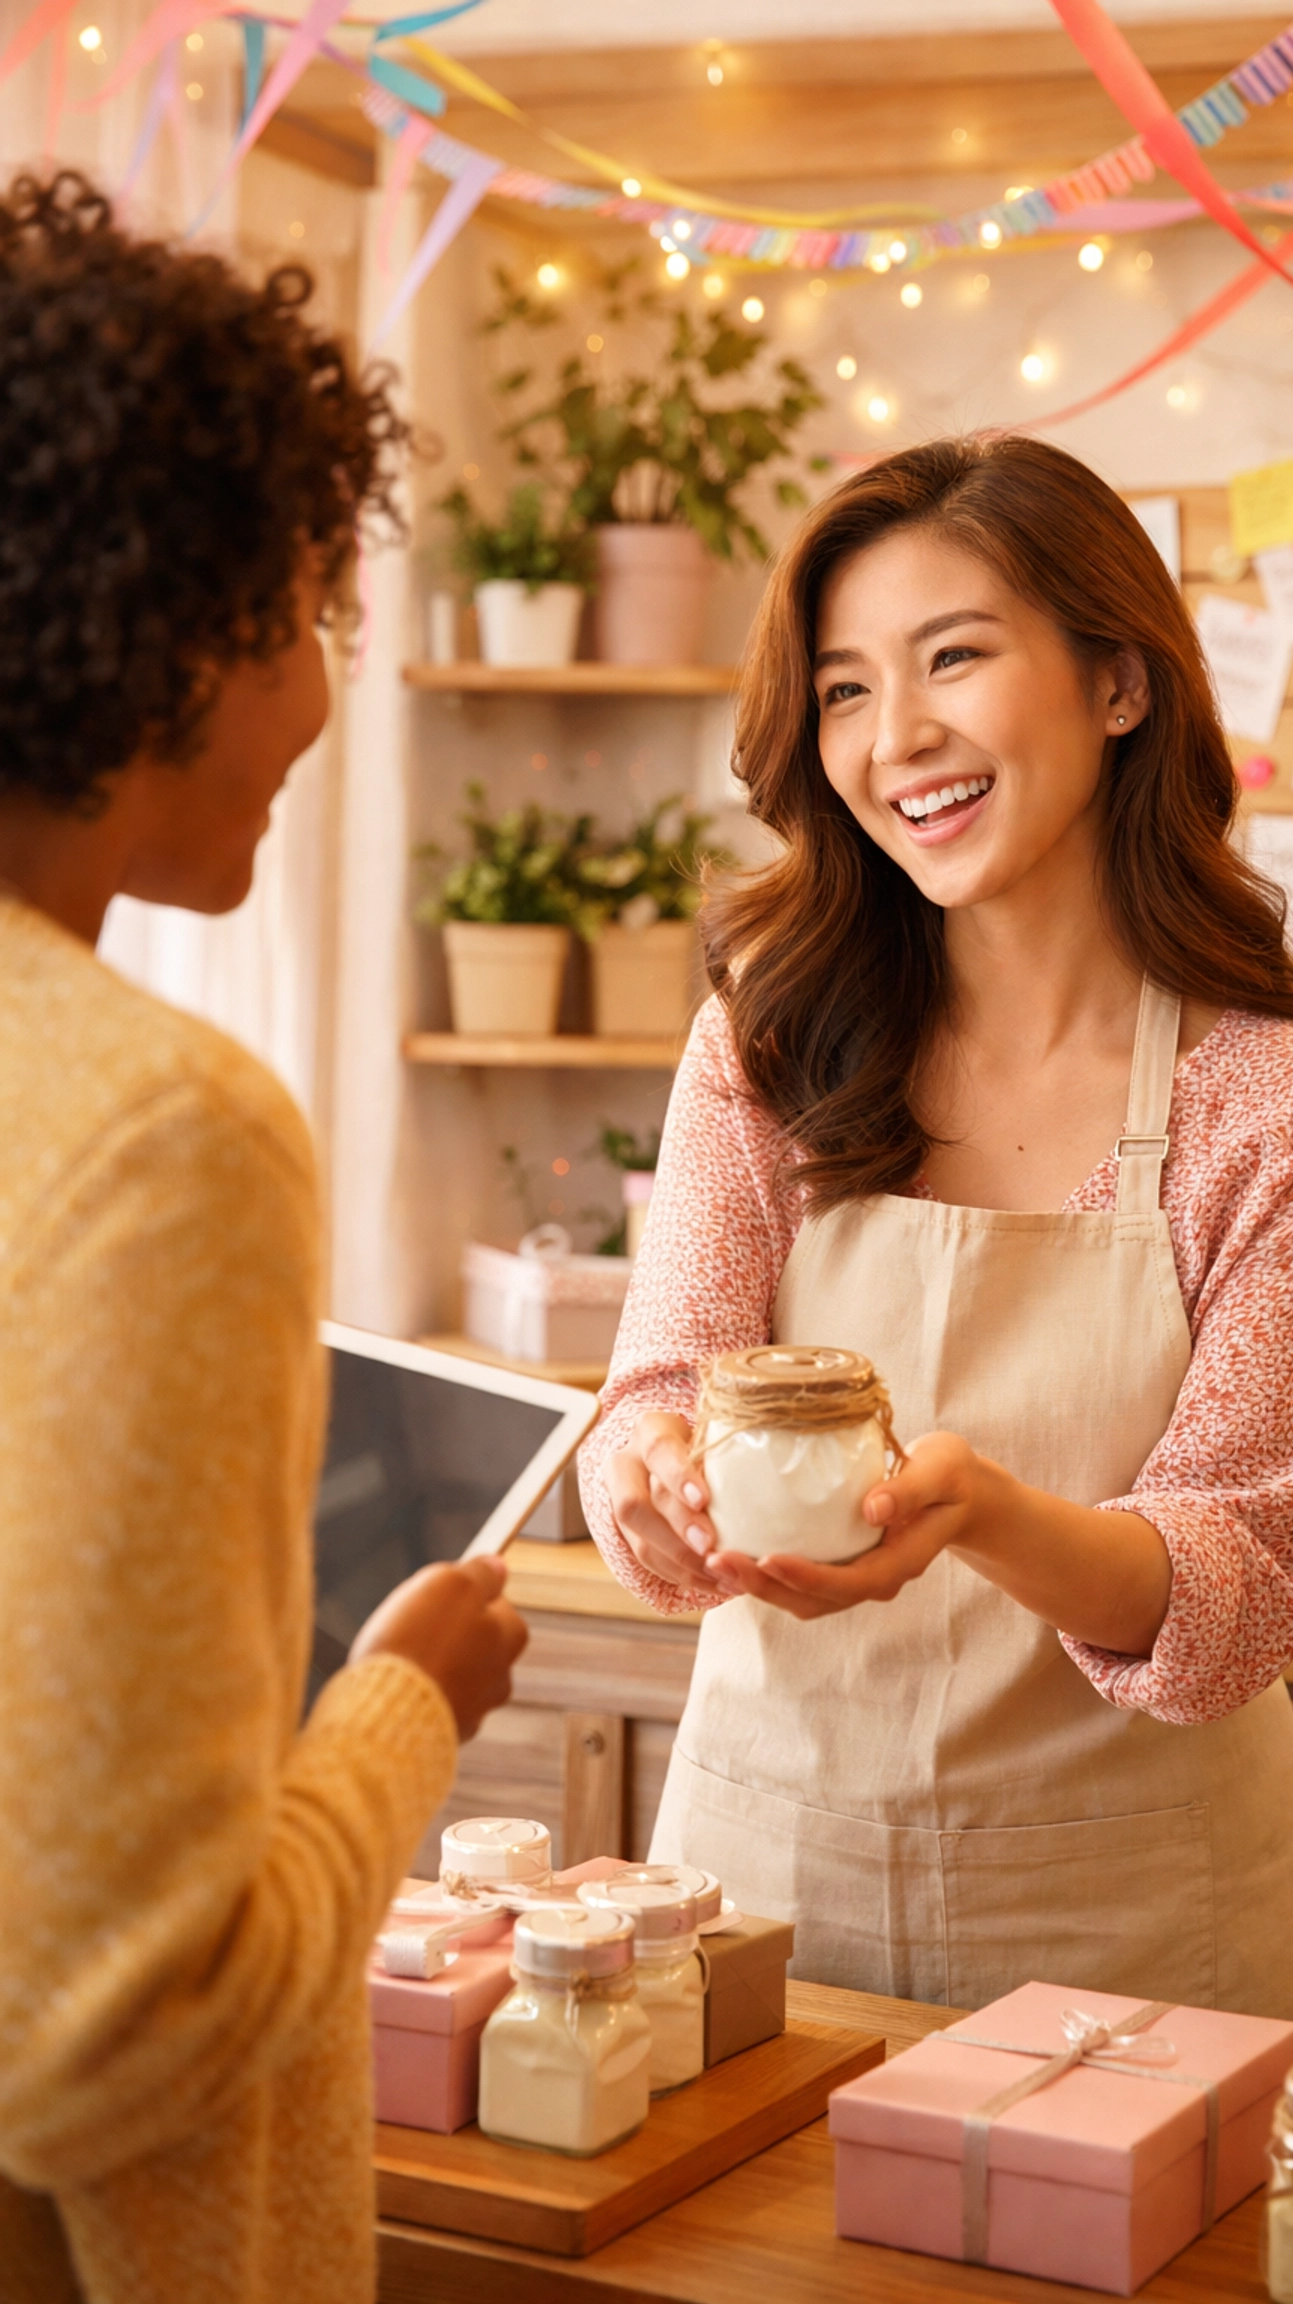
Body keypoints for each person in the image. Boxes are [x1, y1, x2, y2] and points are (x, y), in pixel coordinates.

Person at [579, 433, 1293, 2034]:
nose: (900, 739)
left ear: (1119, 684)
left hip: (1142, 1928)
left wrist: (976, 1515)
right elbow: (654, 1390)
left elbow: (1235, 1583)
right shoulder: (766, 1046)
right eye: (845, 689)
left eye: (954, 655)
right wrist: (654, 1479)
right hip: (766, 1887)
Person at [0, 173, 525, 2304]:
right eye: (311, 600)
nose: (319, 694)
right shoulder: (153, 1127)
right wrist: (398, 1705)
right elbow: (101, 2033)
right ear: (175, 610)